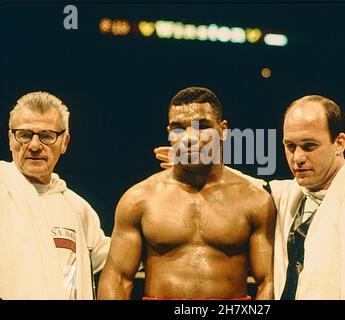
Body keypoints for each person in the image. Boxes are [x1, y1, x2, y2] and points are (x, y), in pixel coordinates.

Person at [155, 94, 345, 299]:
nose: (298, 158)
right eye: (290, 146)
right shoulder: (290, 194)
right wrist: (197, 160)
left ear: (339, 143)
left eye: (309, 146)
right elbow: (249, 186)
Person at [98, 87, 276, 300]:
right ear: (169, 134)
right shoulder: (139, 199)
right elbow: (117, 278)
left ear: (223, 130)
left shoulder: (254, 200)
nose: (190, 137)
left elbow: (269, 281)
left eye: (202, 126)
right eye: (178, 128)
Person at [0, 91, 110, 300]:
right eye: (24, 135)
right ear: (10, 139)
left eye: (47, 136)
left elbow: (117, 257)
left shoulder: (78, 208)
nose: (33, 145)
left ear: (64, 142)